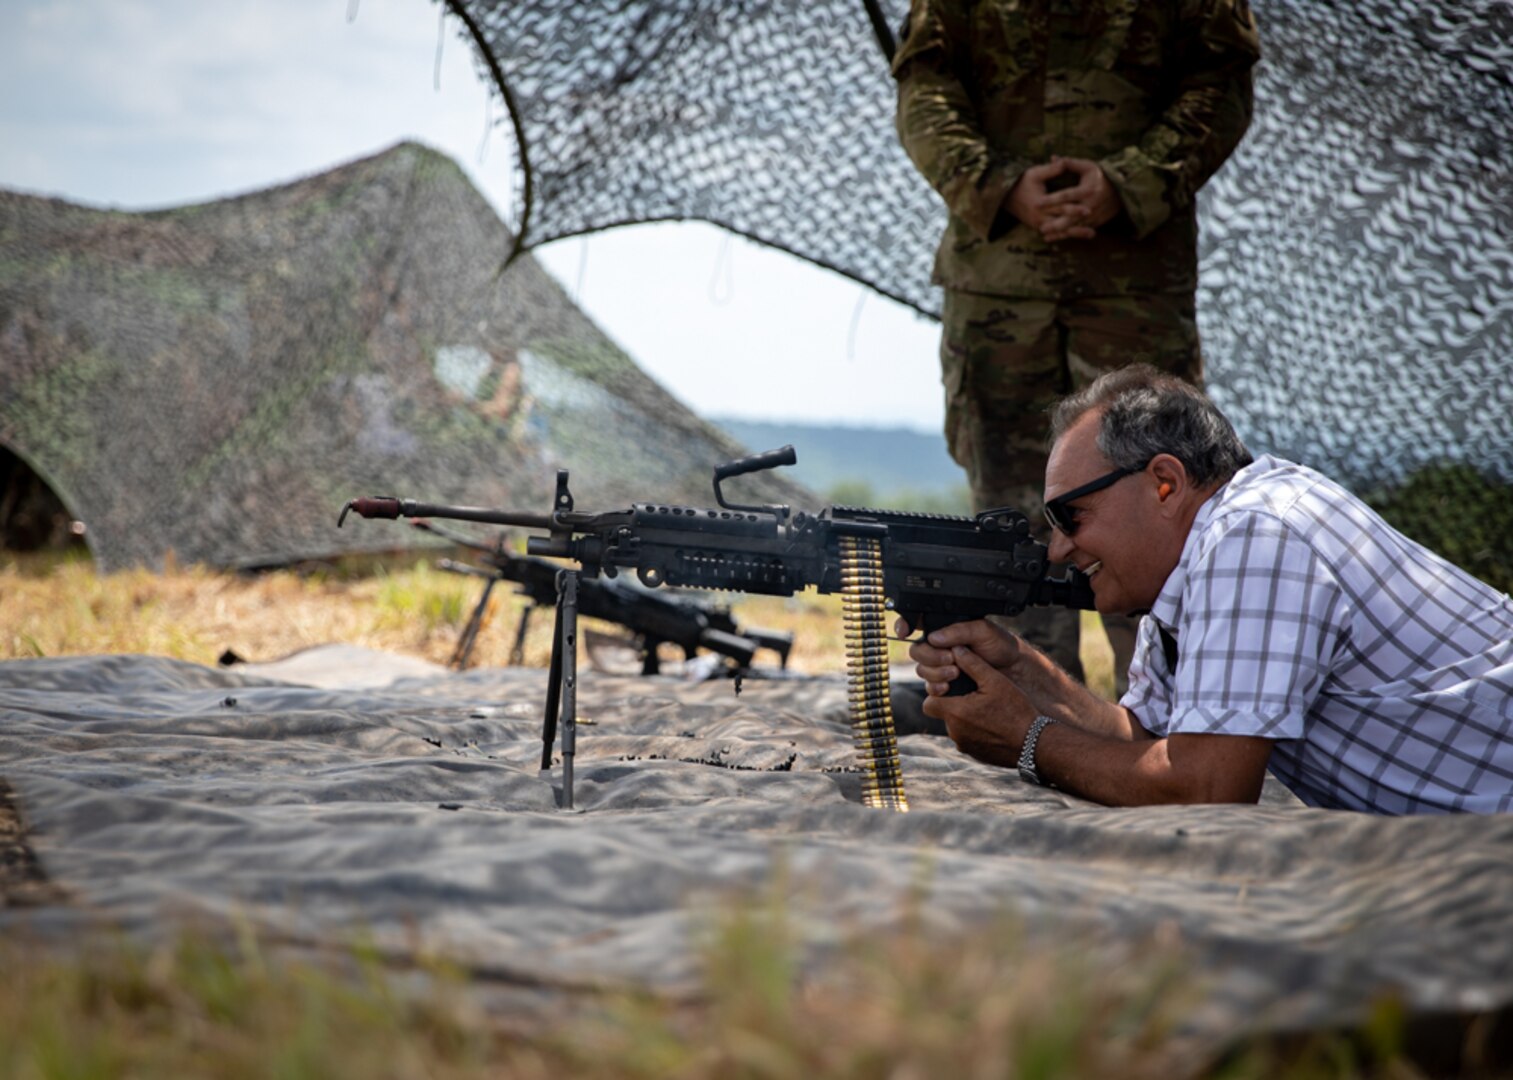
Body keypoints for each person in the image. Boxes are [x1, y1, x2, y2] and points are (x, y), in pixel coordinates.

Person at [905, 366, 1513, 814]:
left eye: (1071, 517)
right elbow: (1144, 744)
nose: (1060, 548)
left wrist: (1024, 738)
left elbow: (1207, 791)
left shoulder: (1253, 532)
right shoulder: (1183, 576)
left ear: (1164, 483)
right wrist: (1020, 671)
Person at [891, 0, 1262, 686]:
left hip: (1133, 281)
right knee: (1006, 509)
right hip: (998, 283)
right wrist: (997, 185)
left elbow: (1220, 79)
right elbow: (924, 85)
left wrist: (1127, 183)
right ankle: (1020, 695)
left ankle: (1169, 704)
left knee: (1159, 500)